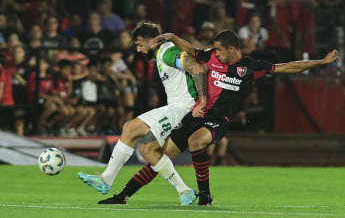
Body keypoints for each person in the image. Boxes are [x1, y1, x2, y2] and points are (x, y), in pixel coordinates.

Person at [100, 30, 340, 206]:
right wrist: (173, 37)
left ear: (233, 49)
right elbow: (191, 50)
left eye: (220, 50)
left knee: (195, 142)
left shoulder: (250, 67)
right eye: (215, 49)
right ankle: (123, 196)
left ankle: (205, 196)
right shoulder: (210, 57)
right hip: (196, 115)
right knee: (160, 156)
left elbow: (287, 67)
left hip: (218, 119)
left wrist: (321, 62)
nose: (216, 53)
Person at [78, 21, 208, 206]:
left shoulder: (167, 52)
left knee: (147, 149)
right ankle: (106, 179)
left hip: (183, 109)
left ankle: (184, 190)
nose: (138, 50)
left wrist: (201, 100)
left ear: (152, 41)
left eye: (140, 45)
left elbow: (197, 68)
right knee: (129, 128)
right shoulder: (162, 53)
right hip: (173, 106)